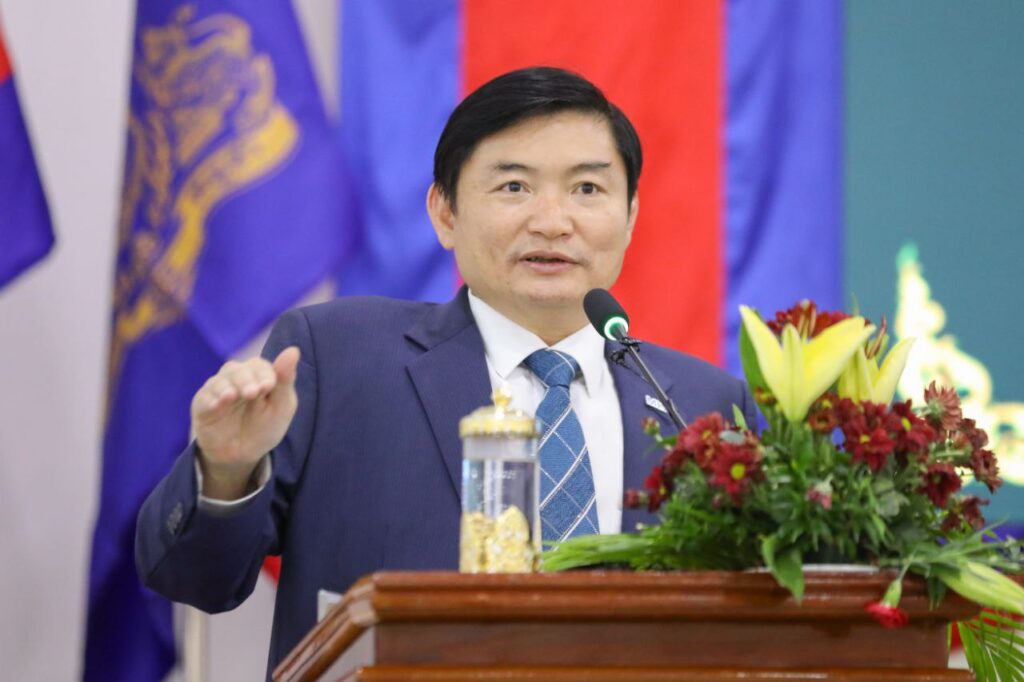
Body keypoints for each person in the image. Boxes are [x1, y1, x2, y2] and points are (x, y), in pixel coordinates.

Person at [135, 66, 757, 673]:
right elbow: (195, 579)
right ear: (445, 213)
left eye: (587, 189)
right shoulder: (340, 358)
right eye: (513, 187)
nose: (552, 221)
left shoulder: (704, 408)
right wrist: (227, 469)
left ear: (631, 216)